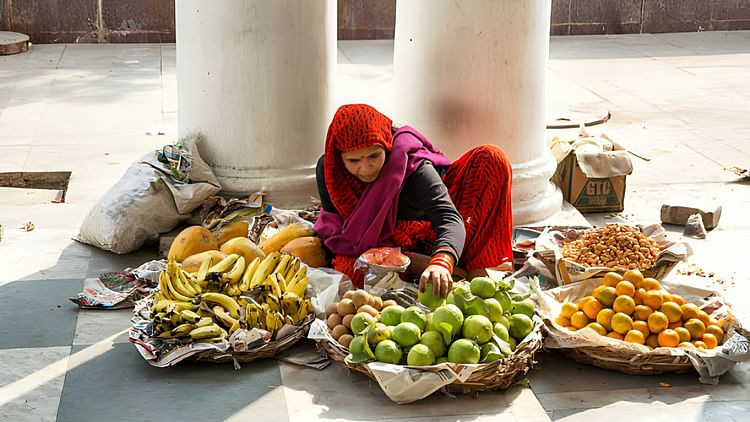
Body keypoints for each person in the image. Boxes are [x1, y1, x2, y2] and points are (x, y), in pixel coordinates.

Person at [314, 104, 513, 298]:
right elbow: (335, 231)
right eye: (354, 161)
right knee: (353, 272)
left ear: (387, 145)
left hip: (434, 233)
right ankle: (422, 265)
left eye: (374, 155)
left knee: (491, 157)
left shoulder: (411, 165)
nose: (366, 168)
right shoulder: (331, 171)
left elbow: (448, 217)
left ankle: (469, 270)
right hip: (386, 247)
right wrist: (386, 254)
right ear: (339, 157)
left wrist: (441, 261)